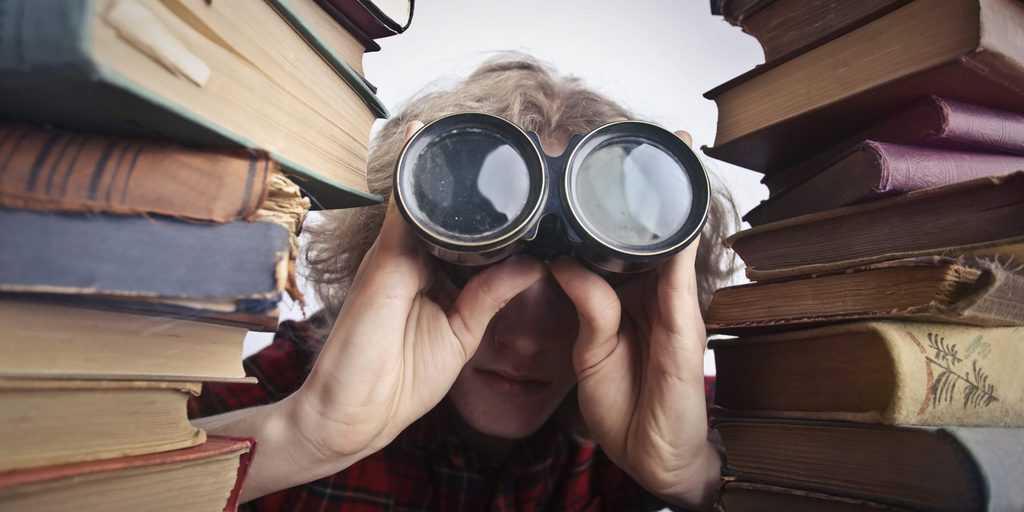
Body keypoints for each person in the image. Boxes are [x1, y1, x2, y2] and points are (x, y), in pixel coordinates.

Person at [190, 53, 738, 511]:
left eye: (580, 286)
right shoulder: (272, 392)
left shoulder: (696, 414)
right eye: (479, 264)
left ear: (645, 296)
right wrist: (300, 435)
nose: (524, 338)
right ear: (388, 260)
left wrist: (694, 475)